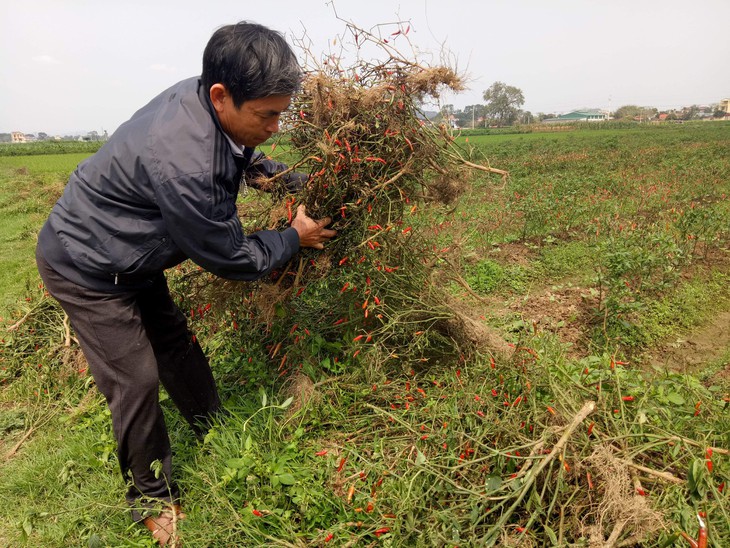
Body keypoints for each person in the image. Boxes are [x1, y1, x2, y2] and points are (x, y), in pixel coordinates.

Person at [35, 21, 335, 545]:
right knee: (135, 379)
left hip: (131, 254)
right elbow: (230, 257)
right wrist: (293, 238)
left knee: (175, 343)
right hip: (85, 265)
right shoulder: (185, 164)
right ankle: (150, 498)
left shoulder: (206, 103)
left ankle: (212, 428)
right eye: (268, 115)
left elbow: (244, 155)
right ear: (222, 96)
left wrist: (291, 179)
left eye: (281, 113)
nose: (275, 126)